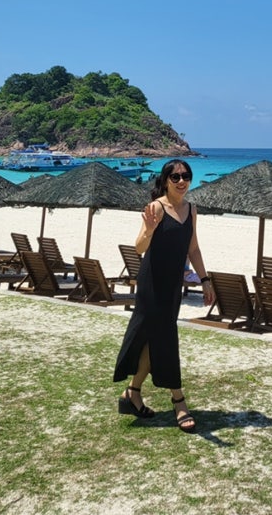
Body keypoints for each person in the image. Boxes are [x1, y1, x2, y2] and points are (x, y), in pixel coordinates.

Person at [113, 159, 214, 432]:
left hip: (172, 285)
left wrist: (205, 280)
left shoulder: (191, 210)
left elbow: (193, 249)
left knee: (153, 339)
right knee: (165, 337)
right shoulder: (156, 207)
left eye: (186, 176)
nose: (182, 182)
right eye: (175, 177)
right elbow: (139, 248)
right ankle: (179, 401)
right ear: (166, 180)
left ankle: (132, 391)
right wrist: (149, 229)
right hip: (152, 283)